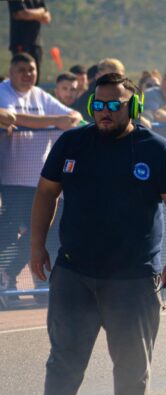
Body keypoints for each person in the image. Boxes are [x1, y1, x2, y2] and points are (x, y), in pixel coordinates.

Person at [20, 72, 166, 395]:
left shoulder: (155, 149)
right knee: (64, 357)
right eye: (98, 104)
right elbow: (47, 192)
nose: (105, 112)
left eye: (115, 104)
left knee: (132, 363)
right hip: (74, 273)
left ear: (134, 107)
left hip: (133, 278)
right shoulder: (72, 142)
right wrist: (36, 247)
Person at [0, 53, 82, 297]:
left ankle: (13, 276)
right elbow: (12, 117)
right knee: (12, 231)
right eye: (22, 70)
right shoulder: (4, 91)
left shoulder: (40, 94)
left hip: (40, 181)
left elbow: (73, 116)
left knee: (42, 233)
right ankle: (7, 277)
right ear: (12, 72)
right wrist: (55, 121)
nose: (28, 74)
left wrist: (59, 119)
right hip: (12, 180)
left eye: (31, 69)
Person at [7, 0, 50, 85]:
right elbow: (22, 14)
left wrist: (31, 14)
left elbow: (47, 18)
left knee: (34, 78)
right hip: (21, 42)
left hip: (36, 44)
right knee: (21, 75)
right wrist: (41, 12)